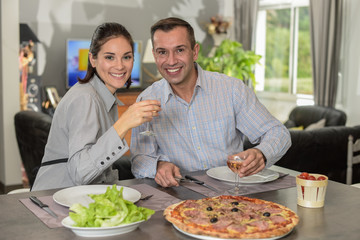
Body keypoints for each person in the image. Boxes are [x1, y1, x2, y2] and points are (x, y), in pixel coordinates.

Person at [130, 17, 291, 188]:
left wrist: (262, 153)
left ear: (195, 51)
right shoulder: (145, 101)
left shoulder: (231, 90)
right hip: (180, 197)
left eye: (179, 50)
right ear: (155, 55)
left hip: (234, 194)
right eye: (162, 52)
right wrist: (158, 166)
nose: (171, 61)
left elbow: (278, 133)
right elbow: (140, 159)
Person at [32, 22, 161, 191]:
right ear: (93, 59)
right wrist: (124, 123)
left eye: (126, 57)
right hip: (58, 200)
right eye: (109, 57)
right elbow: (80, 172)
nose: (120, 65)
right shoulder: (85, 98)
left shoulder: (104, 97)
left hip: (82, 196)